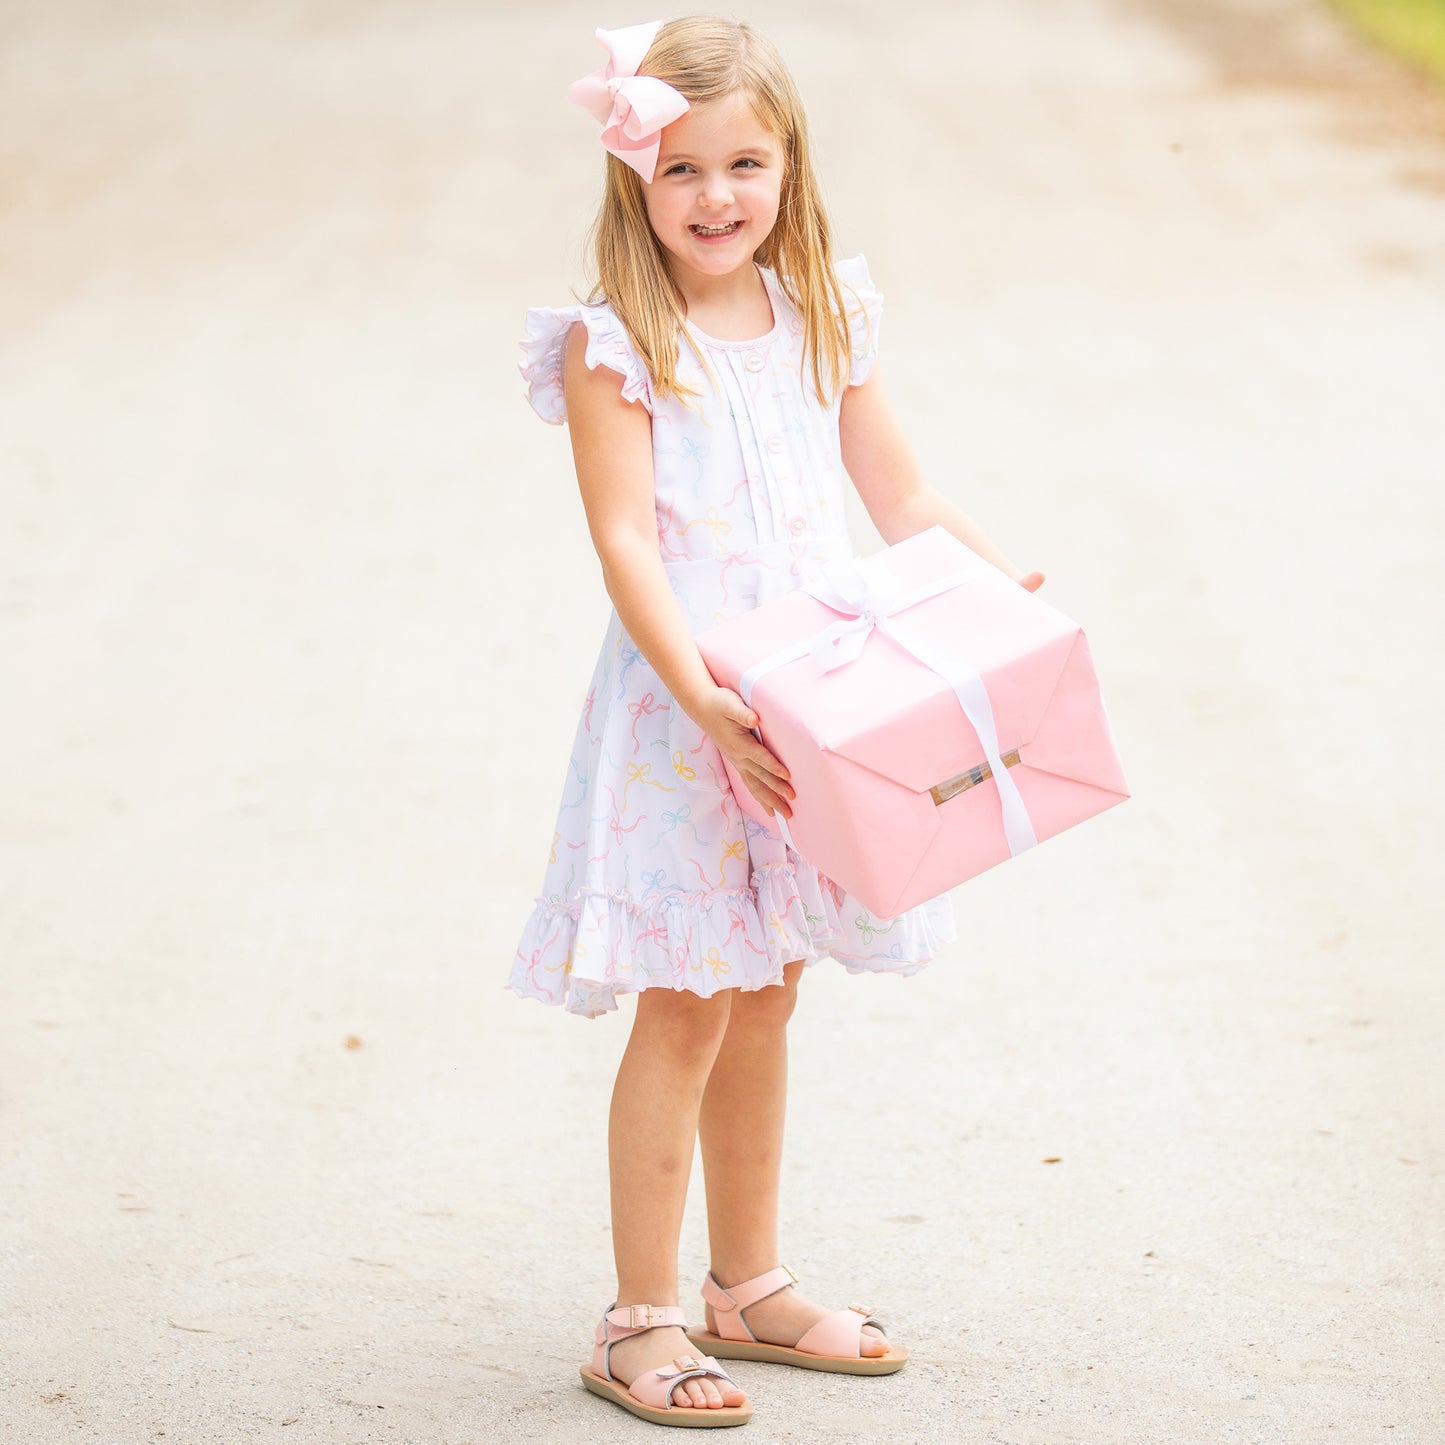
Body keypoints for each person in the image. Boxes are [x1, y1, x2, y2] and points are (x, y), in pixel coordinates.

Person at [509, 16, 1044, 1429]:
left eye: (744, 161)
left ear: (790, 163)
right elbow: (625, 540)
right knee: (687, 998)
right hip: (697, 717)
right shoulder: (614, 345)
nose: (715, 195)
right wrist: (702, 695)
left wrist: (998, 595)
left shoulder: (825, 312)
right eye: (681, 168)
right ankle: (638, 1319)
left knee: (770, 983)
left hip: (817, 708)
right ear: (636, 178)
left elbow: (902, 495)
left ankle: (746, 1282)